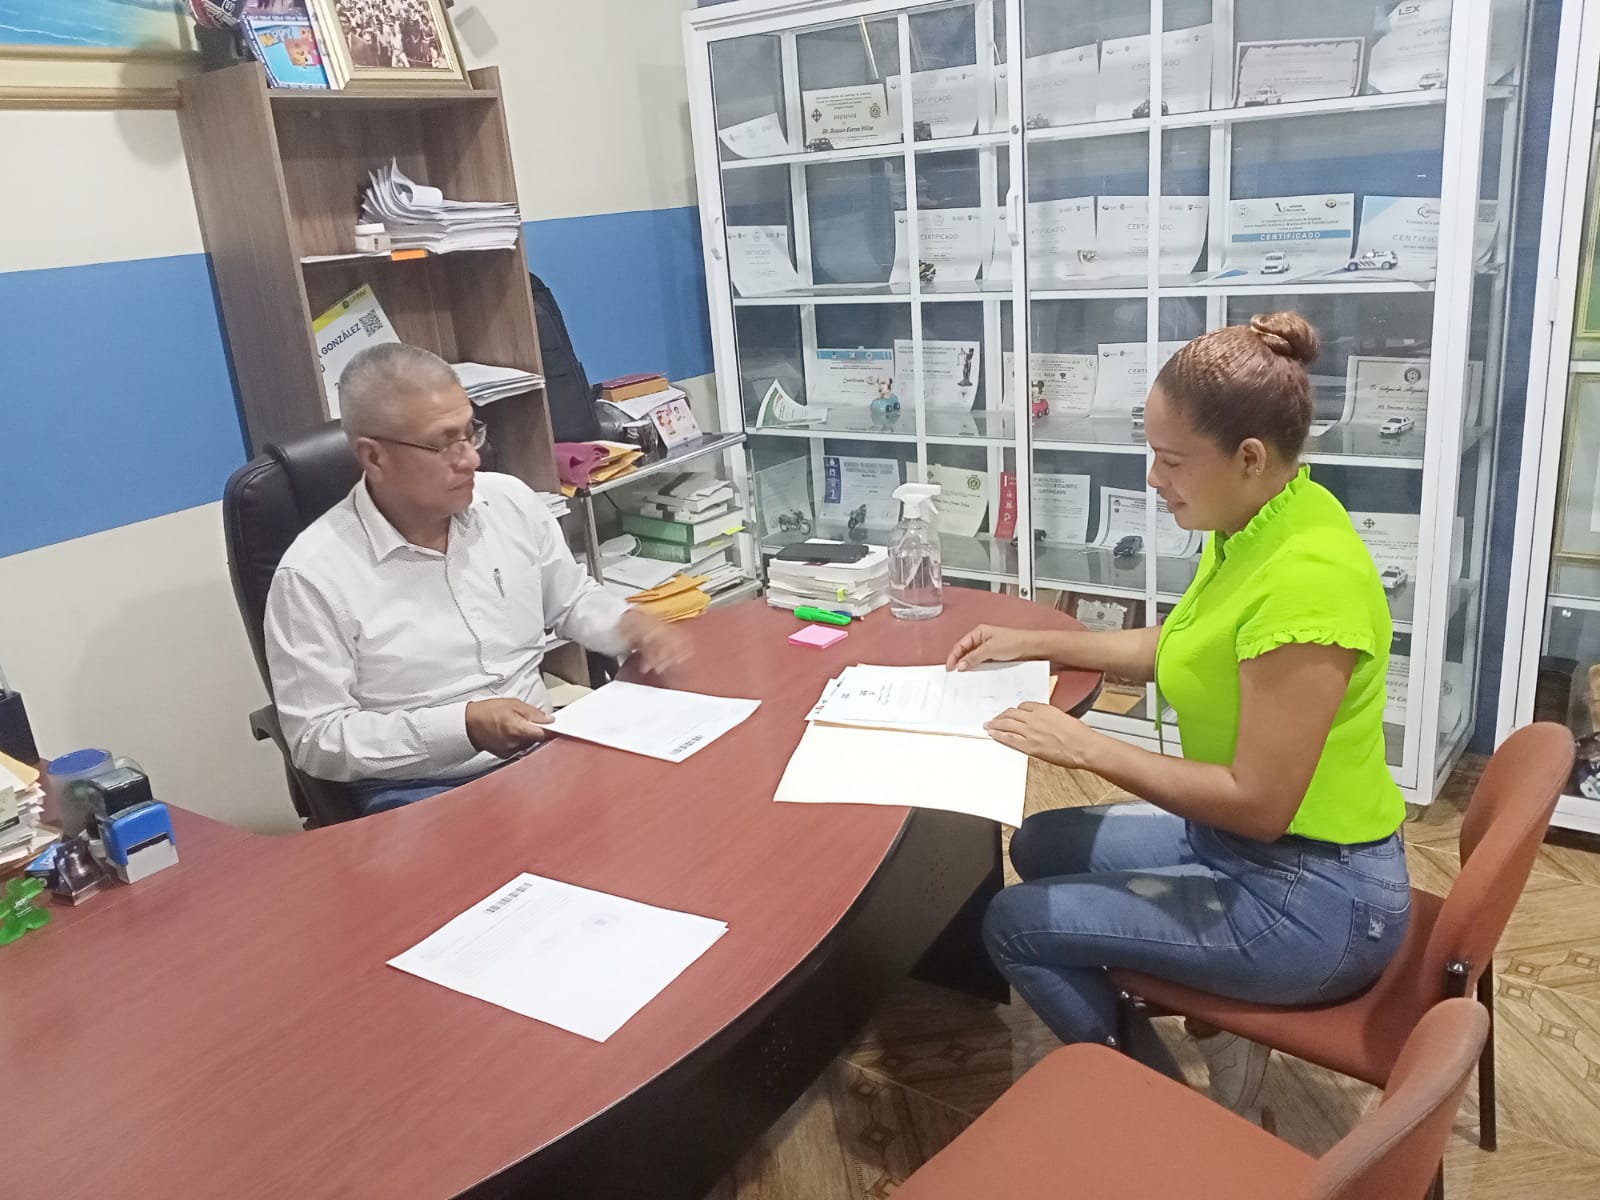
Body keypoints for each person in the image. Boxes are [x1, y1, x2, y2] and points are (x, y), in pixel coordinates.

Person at [945, 312, 1410, 1111]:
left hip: (1316, 900)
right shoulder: (1265, 516)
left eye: (1171, 460)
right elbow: (1185, 644)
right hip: (1251, 850)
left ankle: (1176, 1121)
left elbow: (1258, 805)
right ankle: (1211, 1024)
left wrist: (1084, 747)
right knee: (1040, 842)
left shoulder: (1309, 579)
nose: (1155, 480)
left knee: (1015, 925)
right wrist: (1034, 641)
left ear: (1249, 457)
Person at [264, 343, 691, 816]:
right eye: (443, 444)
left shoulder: (509, 502)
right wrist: (462, 727)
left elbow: (570, 601)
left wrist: (628, 625)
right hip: (420, 791)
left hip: (547, 749)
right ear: (374, 457)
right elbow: (316, 738)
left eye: (471, 434)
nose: (470, 459)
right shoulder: (313, 574)